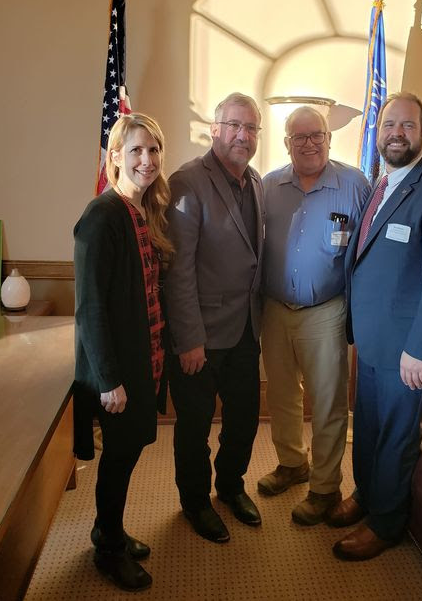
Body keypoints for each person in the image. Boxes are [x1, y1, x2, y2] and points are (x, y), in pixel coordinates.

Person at [329, 92, 422, 561]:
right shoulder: (383, 182)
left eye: (407, 126)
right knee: (368, 426)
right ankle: (367, 496)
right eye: (389, 124)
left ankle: (387, 523)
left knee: (395, 435)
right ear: (378, 131)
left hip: (408, 352)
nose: (396, 133)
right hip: (372, 341)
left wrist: (420, 348)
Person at [73, 113, 173, 591]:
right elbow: (90, 308)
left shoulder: (142, 213)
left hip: (144, 359)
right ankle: (107, 547)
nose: (146, 160)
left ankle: (107, 528)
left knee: (128, 452)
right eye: (135, 150)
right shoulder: (102, 216)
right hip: (118, 372)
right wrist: (109, 379)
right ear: (114, 158)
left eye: (153, 150)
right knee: (117, 457)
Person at [258, 105, 371, 525]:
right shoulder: (267, 186)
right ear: (286, 143)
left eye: (316, 135)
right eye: (298, 137)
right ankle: (292, 463)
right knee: (282, 395)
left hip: (326, 310)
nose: (308, 143)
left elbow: (370, 248)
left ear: (329, 138)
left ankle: (325, 487)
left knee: (327, 403)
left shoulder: (355, 184)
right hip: (274, 309)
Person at [165, 92, 265, 543]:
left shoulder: (257, 181)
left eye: (251, 128)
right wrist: (188, 339)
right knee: (195, 427)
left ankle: (230, 486)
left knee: (243, 419)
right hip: (200, 335)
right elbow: (179, 267)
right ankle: (195, 502)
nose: (242, 135)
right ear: (215, 129)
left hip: (245, 328)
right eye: (234, 126)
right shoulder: (187, 181)